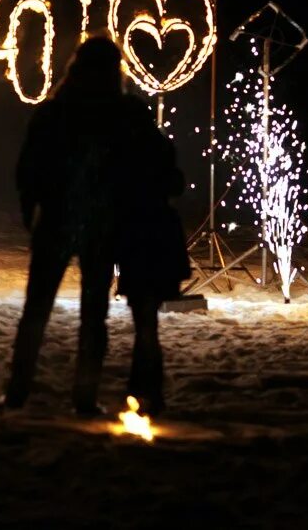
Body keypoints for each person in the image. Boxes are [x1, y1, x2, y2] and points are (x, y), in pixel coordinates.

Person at [0, 34, 160, 416]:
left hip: (58, 219)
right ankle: (83, 396)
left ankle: (18, 391)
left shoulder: (54, 112)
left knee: (37, 308)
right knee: (93, 313)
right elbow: (146, 167)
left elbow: (29, 168)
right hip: (101, 223)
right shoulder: (126, 113)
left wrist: (31, 209)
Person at [115, 114, 190, 417]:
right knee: (148, 326)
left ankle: (144, 389)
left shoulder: (126, 161)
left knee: (145, 325)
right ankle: (146, 389)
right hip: (159, 246)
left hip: (141, 245)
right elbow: (177, 185)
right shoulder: (159, 156)